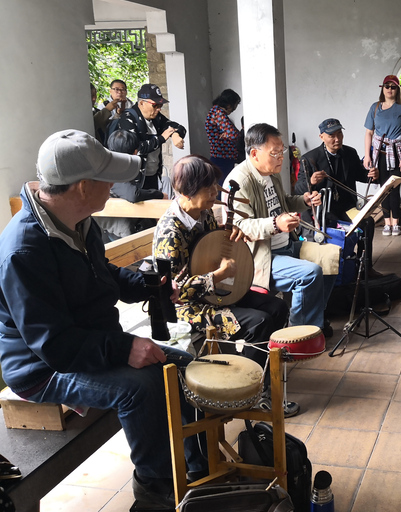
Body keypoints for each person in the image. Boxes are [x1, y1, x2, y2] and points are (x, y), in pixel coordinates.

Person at [0, 130, 206, 509]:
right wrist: (125, 346)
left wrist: (150, 284)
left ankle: (197, 472)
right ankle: (154, 496)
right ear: (82, 187)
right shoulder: (25, 250)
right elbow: (54, 345)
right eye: (107, 178)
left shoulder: (77, 219)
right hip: (41, 367)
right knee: (141, 388)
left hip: (86, 342)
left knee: (186, 367)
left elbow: (102, 273)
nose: (114, 185)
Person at [153, 155, 295, 415]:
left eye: (214, 185)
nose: (214, 191)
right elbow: (171, 293)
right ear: (186, 191)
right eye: (208, 187)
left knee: (276, 307)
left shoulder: (202, 214)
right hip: (189, 307)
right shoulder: (170, 232)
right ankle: (245, 391)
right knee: (258, 322)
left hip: (213, 293)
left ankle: (256, 376)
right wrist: (216, 277)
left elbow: (211, 248)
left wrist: (230, 236)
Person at [226, 123, 336, 334]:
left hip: (286, 245)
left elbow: (282, 201)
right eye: (275, 153)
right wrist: (275, 224)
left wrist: (304, 200)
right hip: (260, 256)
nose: (281, 157)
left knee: (330, 256)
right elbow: (239, 226)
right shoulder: (238, 180)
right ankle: (296, 335)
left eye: (282, 151)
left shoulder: (271, 172)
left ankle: (313, 320)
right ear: (254, 153)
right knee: (310, 273)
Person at [294, 118, 381, 277]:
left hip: (347, 207)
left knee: (367, 223)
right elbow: (298, 189)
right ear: (321, 137)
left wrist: (372, 175)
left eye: (339, 133)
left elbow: (360, 174)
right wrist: (311, 182)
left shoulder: (350, 152)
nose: (337, 139)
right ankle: (332, 270)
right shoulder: (309, 158)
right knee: (330, 229)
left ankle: (365, 267)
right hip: (323, 210)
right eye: (332, 135)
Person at [363, 75, 401, 236]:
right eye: (387, 86)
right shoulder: (375, 107)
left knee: (395, 188)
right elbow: (369, 133)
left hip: (397, 153)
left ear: (397, 89)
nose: (390, 89)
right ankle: (387, 222)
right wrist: (367, 155)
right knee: (383, 189)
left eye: (393, 87)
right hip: (380, 154)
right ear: (382, 88)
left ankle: (396, 222)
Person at [117, 83, 186, 195]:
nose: (158, 109)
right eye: (155, 105)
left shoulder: (155, 117)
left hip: (152, 174)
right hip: (135, 179)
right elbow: (136, 148)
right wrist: (162, 138)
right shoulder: (128, 118)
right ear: (142, 103)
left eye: (160, 105)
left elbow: (178, 127)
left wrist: (175, 135)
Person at [99, 130, 167, 242]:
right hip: (120, 231)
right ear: (135, 152)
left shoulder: (109, 164)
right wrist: (160, 195)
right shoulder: (111, 171)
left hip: (115, 225)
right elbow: (133, 194)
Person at [205, 89, 244, 182]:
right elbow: (234, 134)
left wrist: (227, 134)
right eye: (234, 106)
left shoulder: (215, 112)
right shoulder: (218, 113)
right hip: (222, 158)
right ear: (229, 105)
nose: (234, 110)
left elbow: (231, 133)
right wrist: (231, 133)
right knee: (223, 189)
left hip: (222, 157)